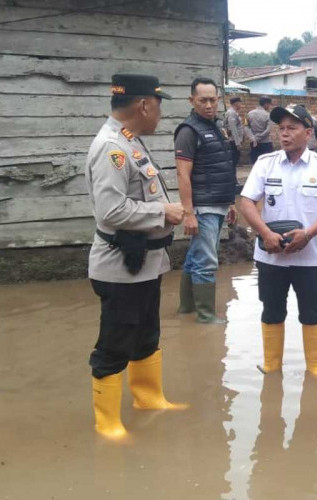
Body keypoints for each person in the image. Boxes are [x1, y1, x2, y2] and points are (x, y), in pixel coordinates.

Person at [85, 73, 188, 441]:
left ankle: (148, 399)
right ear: (144, 104)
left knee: (146, 334)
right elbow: (110, 212)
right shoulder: (111, 148)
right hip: (120, 267)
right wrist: (164, 212)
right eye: (158, 105)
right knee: (115, 341)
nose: (160, 113)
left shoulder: (131, 142)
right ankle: (107, 421)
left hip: (145, 264)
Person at [239, 104, 317, 377]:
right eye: (281, 129)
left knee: (311, 313)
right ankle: (272, 368)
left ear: (307, 133)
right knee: (271, 310)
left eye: (292, 128)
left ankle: (314, 371)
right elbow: (247, 201)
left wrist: (308, 234)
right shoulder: (265, 163)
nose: (284, 134)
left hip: (310, 259)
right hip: (271, 255)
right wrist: (265, 233)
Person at [174, 77, 237, 324]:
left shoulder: (215, 127)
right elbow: (182, 174)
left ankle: (186, 309)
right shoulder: (188, 131)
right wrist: (188, 213)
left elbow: (221, 167)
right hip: (203, 206)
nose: (209, 105)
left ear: (218, 99)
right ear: (192, 101)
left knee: (194, 257)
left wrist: (229, 202)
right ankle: (206, 316)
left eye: (213, 99)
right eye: (203, 100)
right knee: (206, 260)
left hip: (218, 203)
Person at [225, 96, 250, 171]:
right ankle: (232, 180)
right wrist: (237, 143)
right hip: (233, 141)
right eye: (240, 103)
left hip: (234, 141)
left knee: (234, 161)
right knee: (233, 161)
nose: (241, 105)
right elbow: (233, 129)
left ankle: (233, 179)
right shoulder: (232, 113)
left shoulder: (233, 112)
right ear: (236, 103)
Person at [247, 95, 273, 164]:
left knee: (255, 163)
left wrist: (253, 138)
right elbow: (268, 130)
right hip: (265, 143)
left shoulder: (249, 113)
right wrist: (259, 137)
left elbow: (246, 127)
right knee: (267, 164)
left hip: (254, 143)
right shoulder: (268, 115)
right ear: (266, 104)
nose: (269, 106)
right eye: (269, 105)